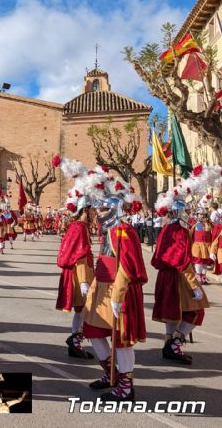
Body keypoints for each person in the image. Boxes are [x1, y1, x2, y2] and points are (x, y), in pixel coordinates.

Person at [81, 167, 147, 402]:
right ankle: (113, 375)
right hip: (103, 289)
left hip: (120, 292)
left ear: (116, 207)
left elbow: (127, 268)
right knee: (93, 332)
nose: (99, 213)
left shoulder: (123, 231)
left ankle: (126, 387)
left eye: (104, 208)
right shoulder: (109, 231)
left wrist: (117, 297)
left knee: (121, 339)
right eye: (97, 208)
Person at [153, 179, 210, 365]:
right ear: (179, 212)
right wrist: (195, 286)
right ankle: (175, 343)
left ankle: (169, 342)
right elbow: (183, 262)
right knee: (196, 311)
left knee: (173, 313)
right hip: (178, 278)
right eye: (186, 211)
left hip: (167, 276)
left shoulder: (167, 228)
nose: (189, 214)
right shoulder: (179, 231)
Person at [55, 157, 96, 360]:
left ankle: (75, 340)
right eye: (93, 210)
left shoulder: (80, 227)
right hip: (80, 275)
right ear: (86, 210)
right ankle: (76, 340)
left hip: (81, 274)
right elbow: (79, 257)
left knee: (81, 312)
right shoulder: (79, 228)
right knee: (83, 310)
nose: (96, 213)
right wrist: (83, 283)